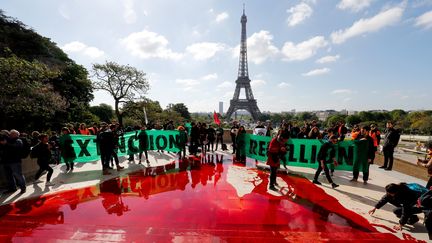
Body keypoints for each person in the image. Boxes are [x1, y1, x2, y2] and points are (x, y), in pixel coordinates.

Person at [2, 129, 27, 194]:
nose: (10, 134)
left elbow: (15, 148)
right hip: (6, 161)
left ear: (16, 134)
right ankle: (12, 188)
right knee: (8, 176)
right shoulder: (7, 140)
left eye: (12, 133)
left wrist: (6, 144)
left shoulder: (18, 140)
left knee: (18, 175)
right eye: (10, 133)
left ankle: (23, 188)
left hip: (15, 161)